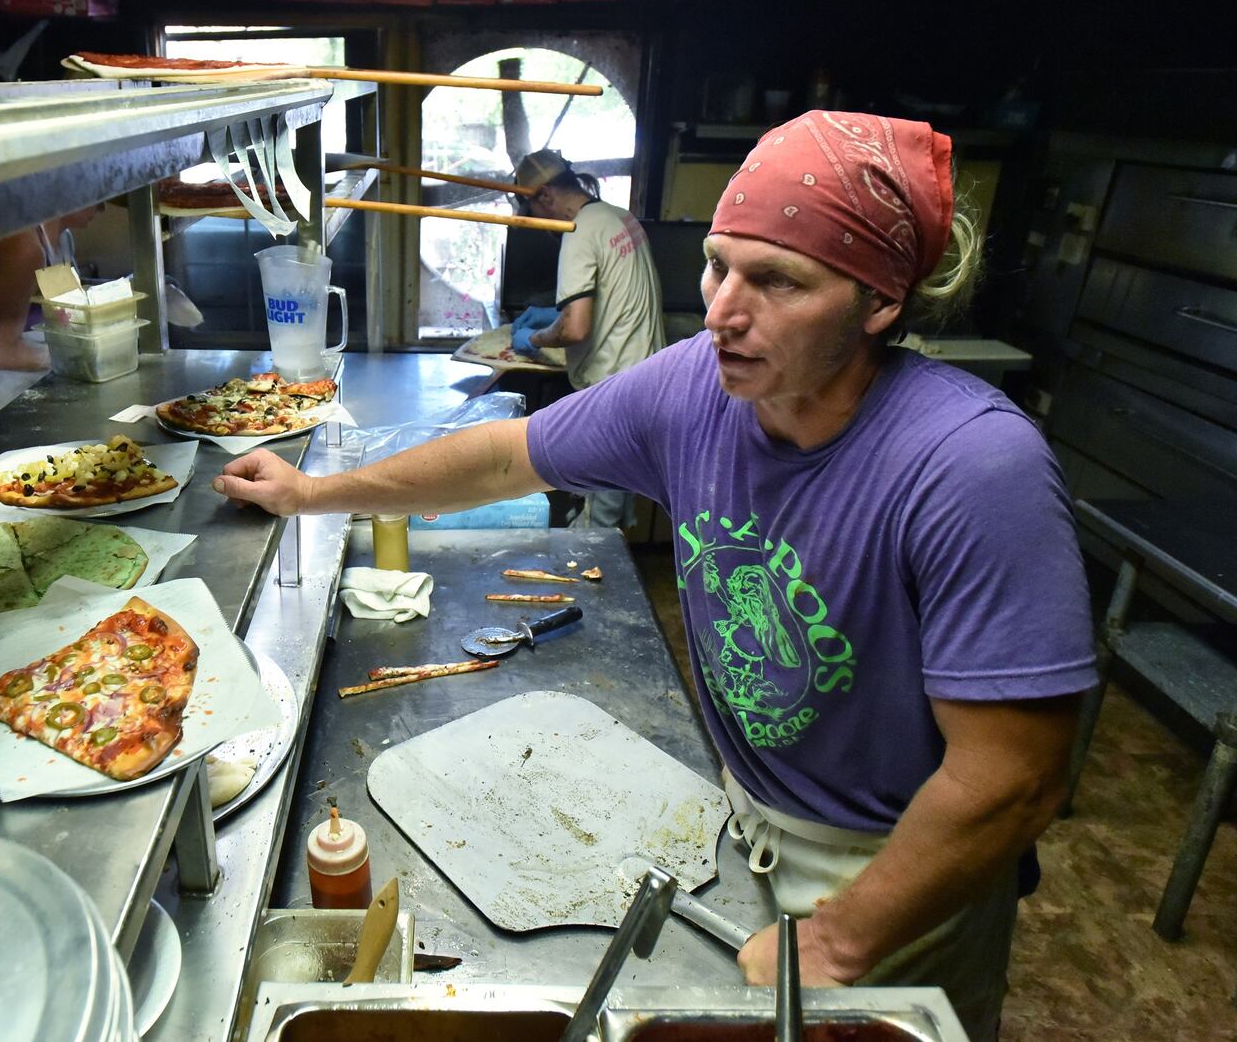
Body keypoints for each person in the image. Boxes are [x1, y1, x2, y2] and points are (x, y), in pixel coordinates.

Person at [212, 111, 1096, 1041]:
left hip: (893, 869)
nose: (721, 310)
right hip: (746, 817)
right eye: (718, 265)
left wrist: (835, 940)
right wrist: (316, 491)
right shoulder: (692, 391)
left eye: (777, 281)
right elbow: (506, 459)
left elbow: (1014, 778)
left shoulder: (970, 466)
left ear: (879, 302)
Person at [509, 149, 665, 528]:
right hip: (649, 382)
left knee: (596, 523)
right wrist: (554, 313)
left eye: (531, 210)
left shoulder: (578, 230)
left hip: (614, 395)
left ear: (545, 195)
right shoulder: (616, 216)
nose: (535, 221)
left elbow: (575, 328)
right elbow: (611, 298)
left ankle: (595, 583)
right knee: (616, 507)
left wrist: (535, 338)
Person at [0, 203, 104, 447]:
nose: (103, 206)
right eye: (98, 194)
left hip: (29, 386)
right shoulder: (24, 245)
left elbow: (64, 318)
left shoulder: (63, 240)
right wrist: (76, 357)